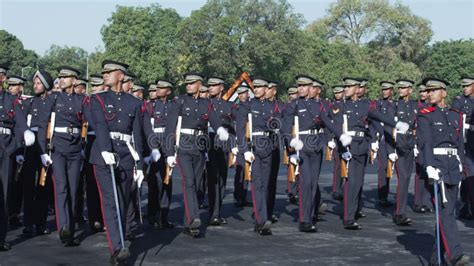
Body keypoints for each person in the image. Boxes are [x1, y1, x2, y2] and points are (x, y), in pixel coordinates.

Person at [417, 77, 470, 266]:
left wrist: (462, 166)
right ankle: (455, 254)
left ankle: (435, 258)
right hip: (436, 167)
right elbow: (426, 142)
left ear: (444, 93)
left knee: (447, 212)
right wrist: (429, 166)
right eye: (428, 90)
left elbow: (459, 144)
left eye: (434, 90)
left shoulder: (456, 114)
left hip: (453, 166)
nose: (429, 93)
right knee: (446, 212)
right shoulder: (425, 114)